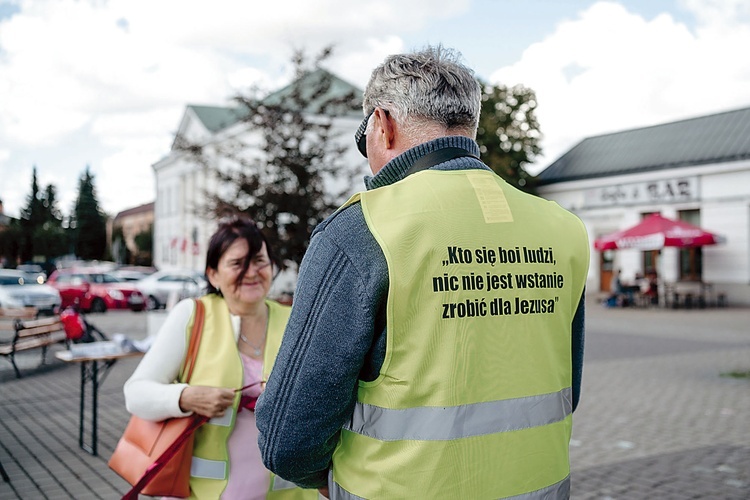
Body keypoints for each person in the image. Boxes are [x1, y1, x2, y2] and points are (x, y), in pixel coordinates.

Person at [256, 46, 590, 499]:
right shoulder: (561, 229)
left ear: (383, 124)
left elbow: (290, 437)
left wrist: (327, 481)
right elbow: (565, 383)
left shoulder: (361, 228)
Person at [124, 216, 316, 499]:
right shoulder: (192, 315)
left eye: (260, 261)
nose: (251, 272)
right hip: (205, 493)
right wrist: (185, 397)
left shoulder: (296, 320)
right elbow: (136, 394)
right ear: (213, 274)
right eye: (238, 263)